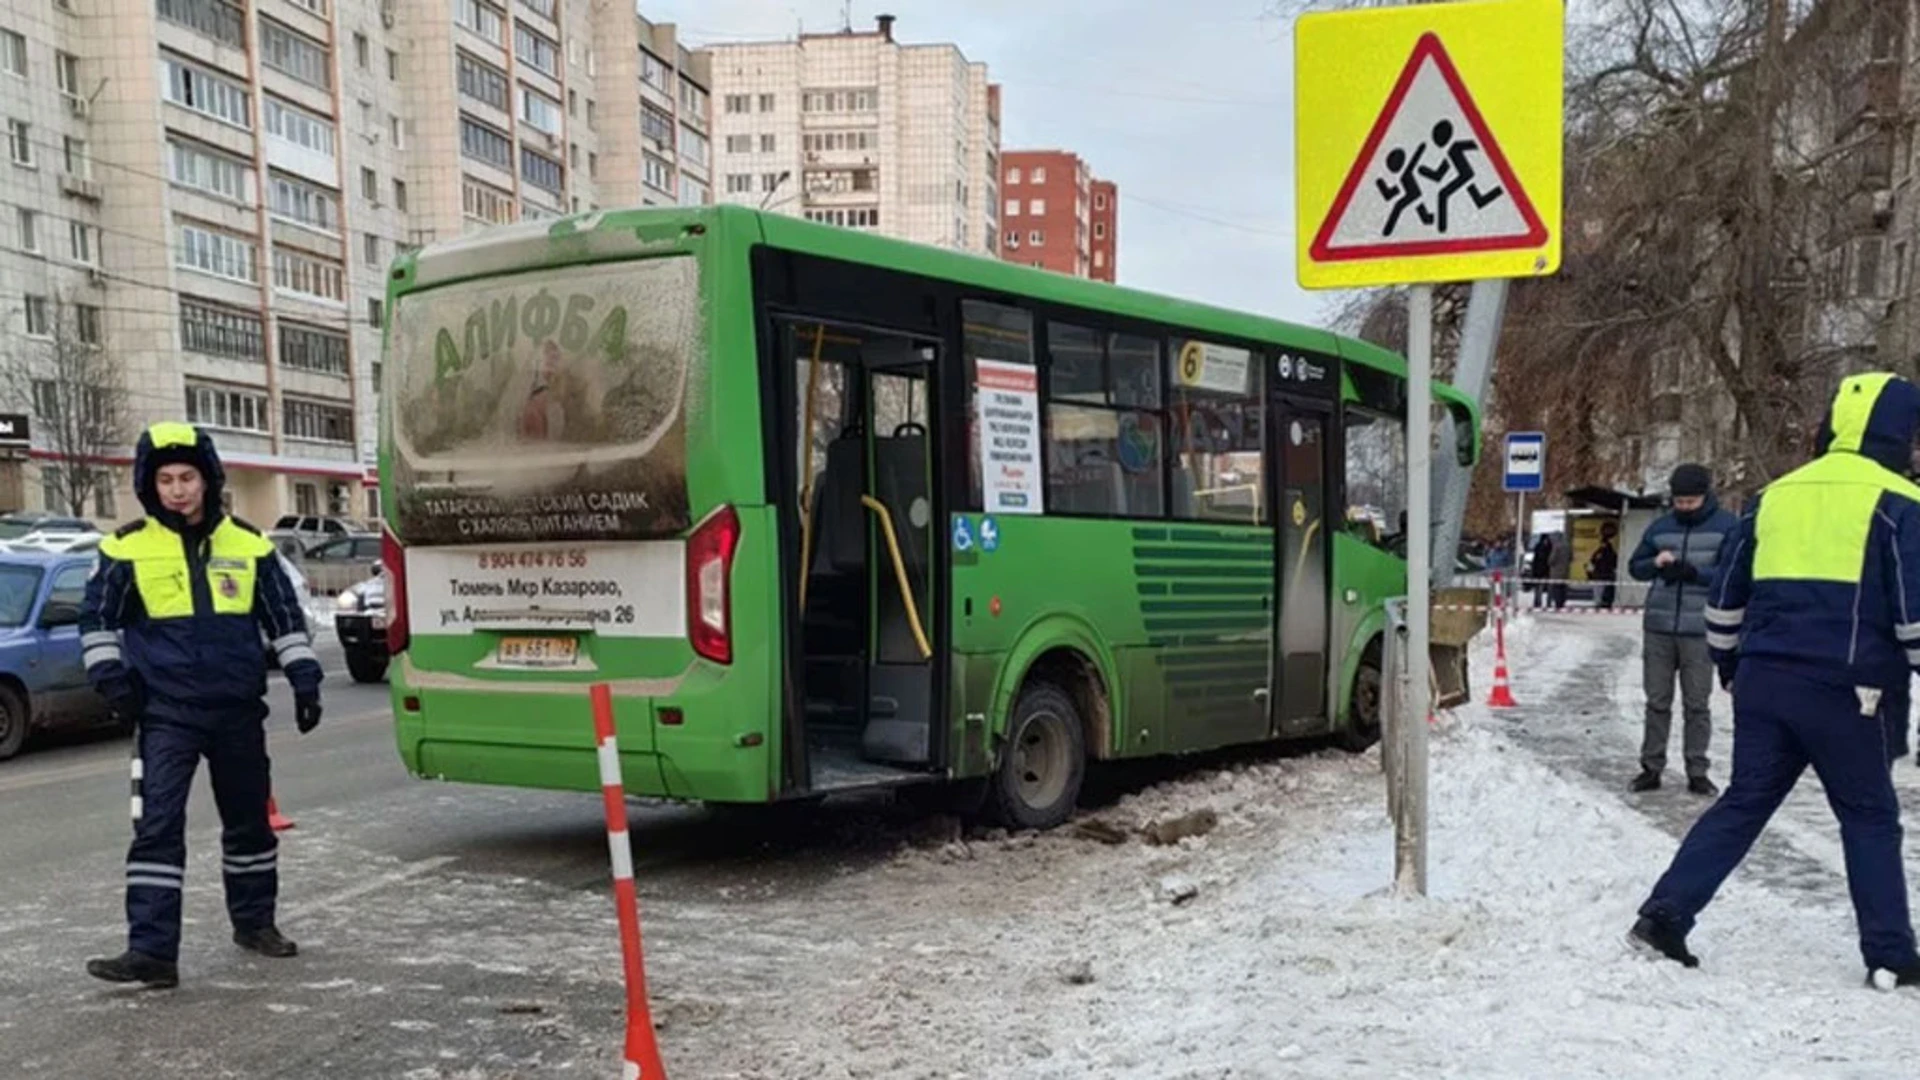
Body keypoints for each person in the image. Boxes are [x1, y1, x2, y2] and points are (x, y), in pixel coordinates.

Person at [1630, 373, 1920, 988]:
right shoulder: (1900, 504)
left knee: (1744, 802)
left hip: (1765, 683)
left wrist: (1733, 665)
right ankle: (1891, 955)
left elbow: (1726, 598)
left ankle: (1664, 915)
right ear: (1900, 434)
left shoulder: (1773, 496)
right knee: (1869, 817)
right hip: (1851, 692)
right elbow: (1913, 618)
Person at [79, 423, 324, 989]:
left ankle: (255, 923)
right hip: (165, 714)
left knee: (248, 825)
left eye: (187, 477)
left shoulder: (248, 543)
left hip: (237, 711)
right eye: (165, 479)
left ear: (208, 480)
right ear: (150, 485)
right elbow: (96, 620)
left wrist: (305, 678)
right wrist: (111, 678)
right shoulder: (125, 547)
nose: (178, 490)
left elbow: (283, 619)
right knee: (157, 829)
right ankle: (152, 953)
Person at [1626, 465, 1739, 795]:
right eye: (1680, 501)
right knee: (1657, 701)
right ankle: (1651, 767)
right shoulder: (1660, 527)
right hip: (1659, 626)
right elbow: (1636, 568)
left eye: (1691, 501)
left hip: (1699, 629)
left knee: (1697, 704)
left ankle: (1697, 770)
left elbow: (1732, 574)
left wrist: (1695, 574)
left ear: (1705, 497)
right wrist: (1655, 565)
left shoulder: (1727, 527)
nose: (1685, 507)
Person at [1588, 523, 1620, 609]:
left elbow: (1592, 562)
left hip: (1599, 575)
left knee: (1598, 592)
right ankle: (1604, 603)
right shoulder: (1612, 553)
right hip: (1607, 575)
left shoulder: (1599, 552)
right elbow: (1615, 563)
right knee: (1605, 592)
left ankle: (1598, 604)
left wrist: (1590, 573)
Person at [1547, 530, 1572, 609]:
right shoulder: (1568, 546)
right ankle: (1562, 602)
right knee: (1563, 587)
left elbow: (1552, 559)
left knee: (1556, 588)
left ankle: (1558, 603)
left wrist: (1549, 562)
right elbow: (1571, 558)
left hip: (1556, 571)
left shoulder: (1556, 546)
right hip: (1566, 570)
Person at [1528, 533, 1554, 609]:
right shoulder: (1549, 547)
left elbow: (1535, 560)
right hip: (1544, 570)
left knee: (1539, 588)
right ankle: (1544, 603)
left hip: (1540, 571)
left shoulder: (1538, 547)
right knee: (1543, 588)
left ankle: (1538, 602)